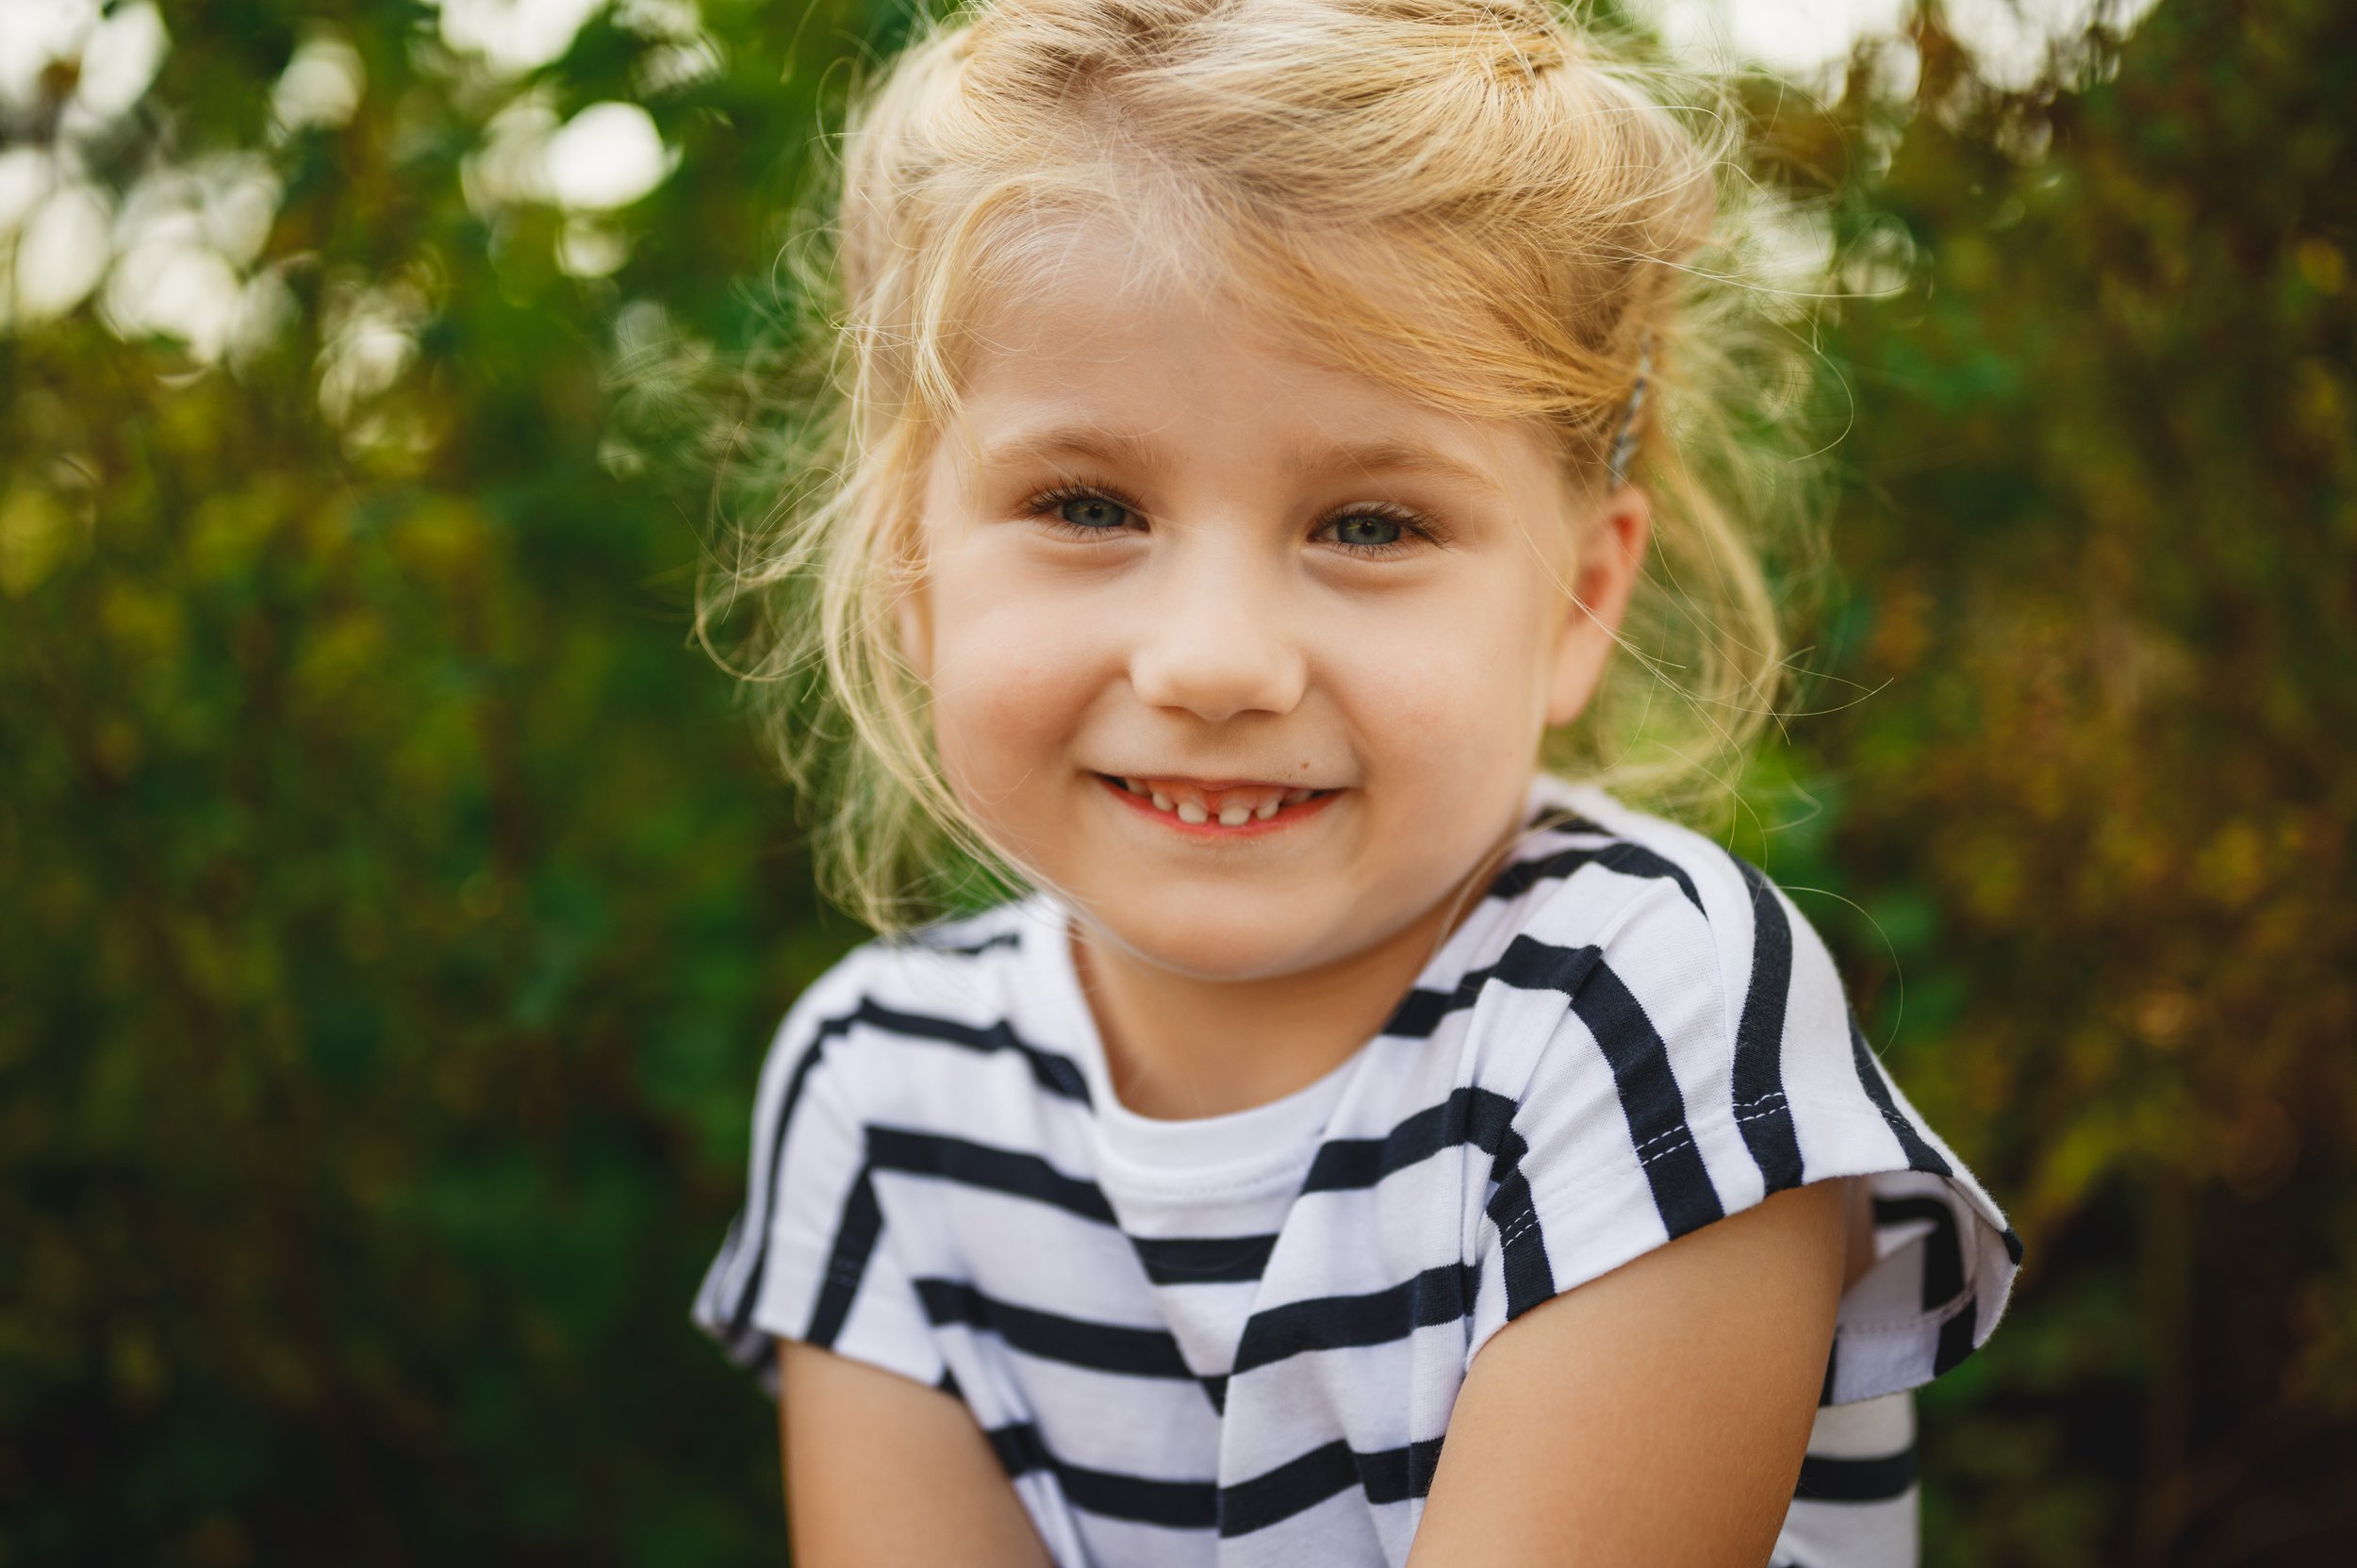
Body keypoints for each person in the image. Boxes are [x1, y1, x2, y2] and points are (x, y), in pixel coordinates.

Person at [689, 2, 2019, 1562]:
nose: (1213, 662)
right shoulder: (882, 1088)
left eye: (1371, 526)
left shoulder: (1635, 1013)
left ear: (1578, 604)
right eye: (1087, 503)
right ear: (911, 568)